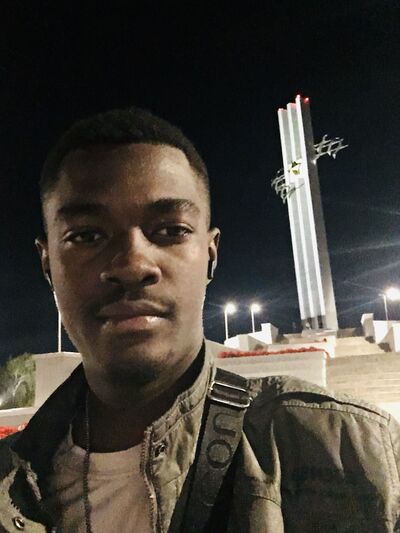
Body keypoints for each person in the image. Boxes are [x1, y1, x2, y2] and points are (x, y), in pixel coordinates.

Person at [0, 107, 399, 532]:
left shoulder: (354, 456)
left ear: (210, 255)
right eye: (86, 235)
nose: (133, 265)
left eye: (170, 230)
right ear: (47, 263)